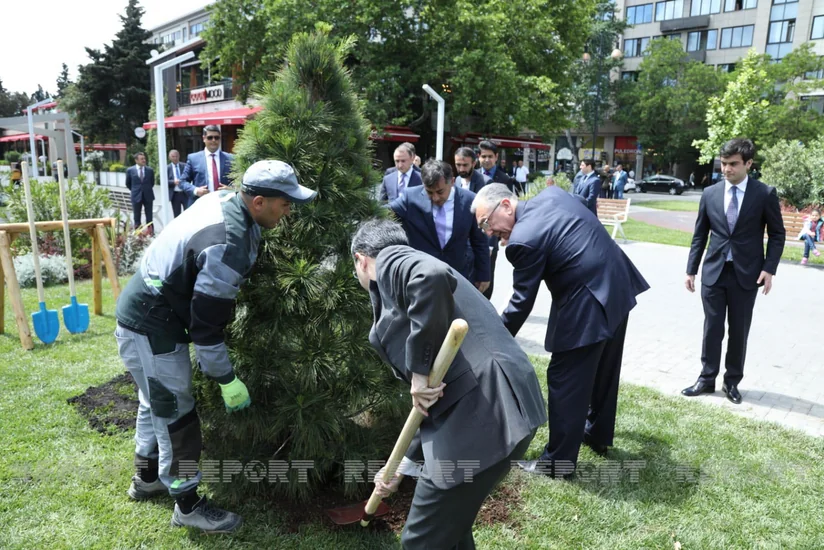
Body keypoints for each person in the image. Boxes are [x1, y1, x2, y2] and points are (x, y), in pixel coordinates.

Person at [115, 160, 317, 533]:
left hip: (145, 310)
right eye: (285, 203)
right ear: (258, 201)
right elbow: (207, 328)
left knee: (154, 402)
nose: (290, 210)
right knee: (176, 411)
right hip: (153, 323)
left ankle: (146, 480)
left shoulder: (228, 199)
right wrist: (226, 378)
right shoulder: (227, 244)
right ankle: (187, 505)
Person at [351, 218, 546, 549]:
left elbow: (430, 277)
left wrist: (418, 369)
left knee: (420, 541)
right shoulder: (394, 297)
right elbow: (427, 400)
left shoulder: (392, 258)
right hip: (497, 412)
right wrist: (402, 465)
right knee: (451, 531)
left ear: (360, 258)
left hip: (486, 418)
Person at [471, 183, 649, 478]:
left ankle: (557, 464)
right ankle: (597, 434)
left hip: (588, 302)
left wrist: (494, 342)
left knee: (565, 378)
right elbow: (579, 203)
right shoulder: (552, 195)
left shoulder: (522, 240)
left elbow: (520, 304)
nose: (489, 233)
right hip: (617, 282)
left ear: (505, 204)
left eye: (486, 223)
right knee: (605, 368)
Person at [682, 138, 785, 405]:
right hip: (714, 272)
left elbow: (777, 234)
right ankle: (706, 379)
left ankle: (732, 382)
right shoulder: (710, 193)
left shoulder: (764, 194)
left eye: (733, 164)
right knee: (712, 328)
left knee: (739, 330)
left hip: (747, 274)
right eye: (724, 163)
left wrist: (769, 269)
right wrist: (691, 269)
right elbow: (699, 234)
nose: (726, 169)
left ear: (748, 163)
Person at [389, 159, 490, 292]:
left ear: (452, 182)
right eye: (429, 192)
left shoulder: (470, 201)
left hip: (458, 276)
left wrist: (484, 275)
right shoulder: (410, 198)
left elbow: (480, 241)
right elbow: (385, 212)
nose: (435, 198)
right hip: (421, 277)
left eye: (440, 192)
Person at [179, 125, 235, 207]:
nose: (213, 140)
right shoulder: (193, 158)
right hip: (201, 205)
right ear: (204, 138)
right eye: (210, 137)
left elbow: (239, 181)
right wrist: (196, 190)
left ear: (220, 138)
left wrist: (231, 189)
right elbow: (182, 182)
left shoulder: (230, 158)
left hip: (225, 205)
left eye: (216, 138)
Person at [125, 152, 155, 230]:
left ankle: (151, 232)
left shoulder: (150, 170)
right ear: (136, 160)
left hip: (148, 195)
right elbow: (128, 183)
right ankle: (138, 235)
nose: (144, 160)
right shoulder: (130, 170)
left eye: (144, 158)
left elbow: (152, 183)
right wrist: (136, 190)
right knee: (137, 217)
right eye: (142, 159)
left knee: (149, 216)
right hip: (136, 196)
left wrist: (145, 189)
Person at [167, 149, 187, 217]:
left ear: (179, 156)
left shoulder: (184, 166)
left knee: (188, 212)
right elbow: (164, 182)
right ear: (169, 157)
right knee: (177, 214)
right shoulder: (167, 168)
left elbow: (189, 177)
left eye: (176, 156)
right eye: (173, 156)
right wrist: (173, 182)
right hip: (175, 194)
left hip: (185, 193)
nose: (175, 158)